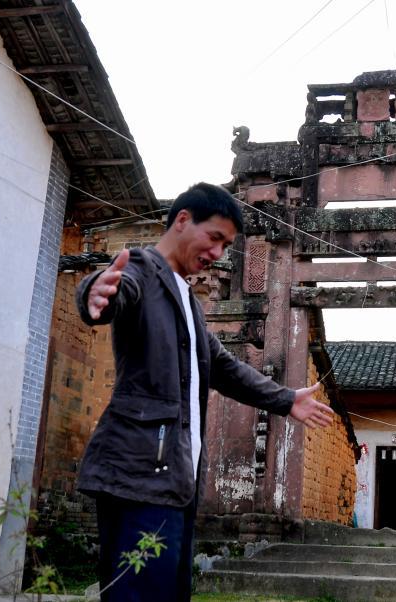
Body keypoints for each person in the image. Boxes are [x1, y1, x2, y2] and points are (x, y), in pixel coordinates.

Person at [75, 182, 335, 601]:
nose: (217, 253)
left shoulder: (188, 301)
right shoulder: (142, 267)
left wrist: (286, 399)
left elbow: (225, 368)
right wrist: (95, 294)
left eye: (226, 245)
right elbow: (114, 290)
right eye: (214, 237)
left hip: (175, 480)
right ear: (182, 220)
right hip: (139, 476)